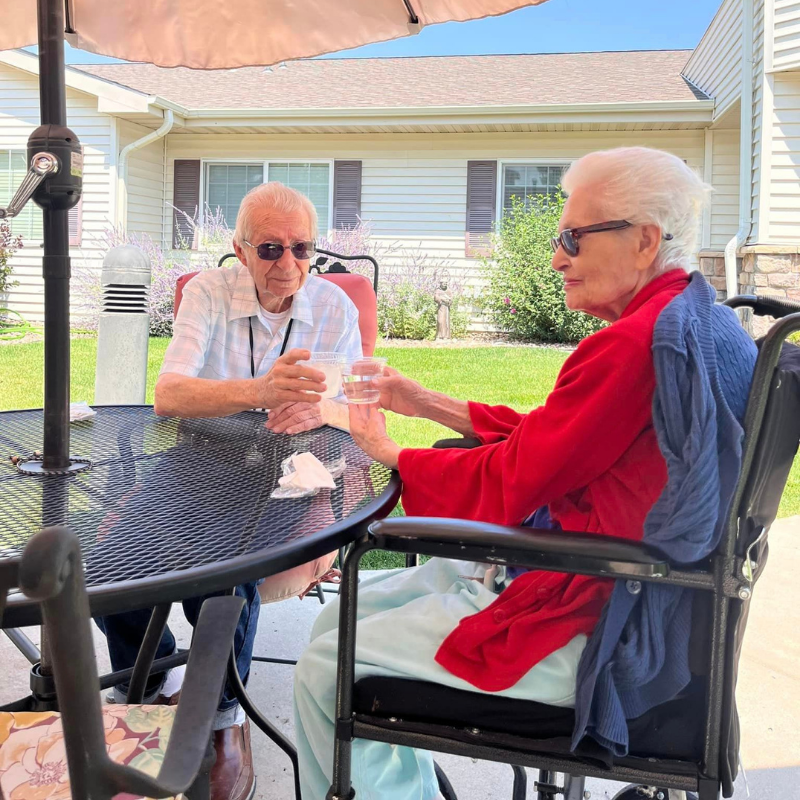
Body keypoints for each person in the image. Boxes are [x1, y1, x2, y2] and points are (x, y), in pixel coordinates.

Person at [293, 147, 758, 800]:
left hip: (591, 621)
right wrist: (424, 401)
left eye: (572, 237)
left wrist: (388, 451)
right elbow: (559, 439)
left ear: (645, 240)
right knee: (336, 619)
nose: (556, 258)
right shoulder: (693, 319)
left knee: (322, 664)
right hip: (634, 600)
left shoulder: (634, 346)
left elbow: (514, 477)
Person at [97, 182, 362, 800]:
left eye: (303, 248)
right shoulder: (208, 293)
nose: (290, 266)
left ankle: (221, 717)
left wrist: (321, 408)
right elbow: (170, 397)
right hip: (202, 453)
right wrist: (260, 392)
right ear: (239, 249)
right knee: (113, 559)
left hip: (290, 465)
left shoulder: (333, 307)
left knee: (228, 572)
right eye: (271, 249)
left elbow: (358, 410)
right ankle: (150, 676)